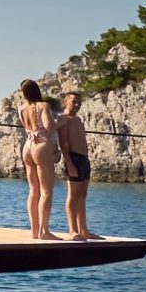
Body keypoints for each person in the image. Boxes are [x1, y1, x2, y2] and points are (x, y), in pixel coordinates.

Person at [18, 78, 60, 239]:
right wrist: (59, 122)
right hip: (40, 144)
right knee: (46, 191)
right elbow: (48, 126)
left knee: (33, 191)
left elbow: (27, 127)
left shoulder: (21, 109)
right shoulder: (43, 106)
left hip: (27, 146)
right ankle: (45, 231)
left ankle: (34, 231)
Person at [57, 91, 99, 240]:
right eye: (74, 102)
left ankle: (83, 230)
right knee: (72, 195)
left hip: (84, 159)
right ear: (66, 102)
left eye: (79, 103)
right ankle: (72, 230)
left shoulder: (79, 120)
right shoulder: (63, 119)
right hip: (73, 158)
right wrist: (69, 163)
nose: (77, 105)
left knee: (82, 195)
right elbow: (63, 143)